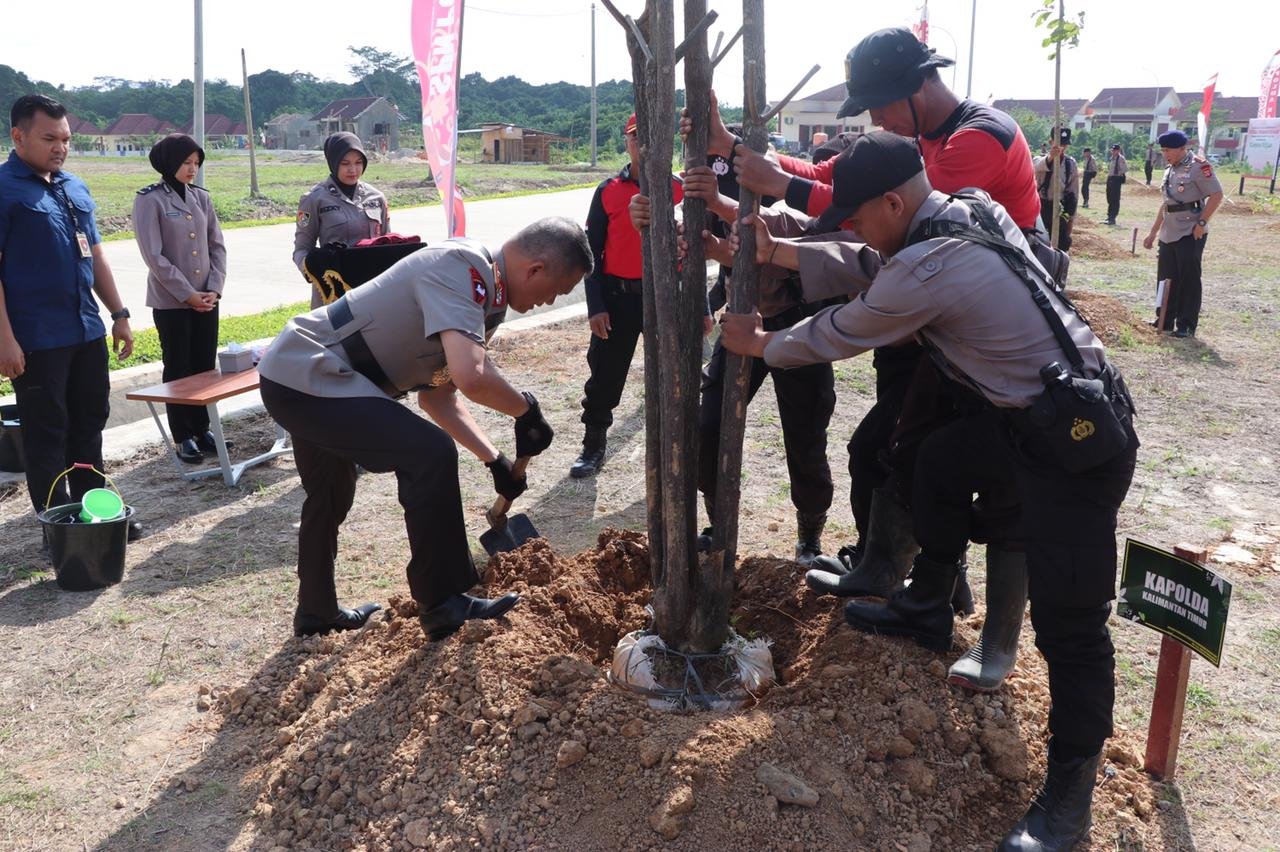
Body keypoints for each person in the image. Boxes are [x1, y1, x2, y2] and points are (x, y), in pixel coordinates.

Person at [719, 131, 1138, 851]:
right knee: (931, 462)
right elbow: (868, 262)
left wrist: (759, 344)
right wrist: (780, 250)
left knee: (1071, 627)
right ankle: (925, 605)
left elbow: (845, 327)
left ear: (892, 200)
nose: (848, 223)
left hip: (1074, 440)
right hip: (1022, 416)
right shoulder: (966, 209)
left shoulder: (929, 263)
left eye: (856, 212)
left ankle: (1069, 797)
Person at [258, 216, 593, 641]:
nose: (550, 301)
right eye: (557, 291)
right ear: (536, 269)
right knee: (428, 453)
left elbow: (439, 396)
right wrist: (526, 411)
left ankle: (315, 612)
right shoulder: (462, 268)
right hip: (307, 371)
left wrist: (494, 460)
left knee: (329, 495)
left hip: (313, 376)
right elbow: (472, 375)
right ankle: (443, 600)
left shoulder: (487, 299)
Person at [0, 95, 142, 542]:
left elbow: (94, 252)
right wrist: (4, 340)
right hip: (37, 338)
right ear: (18, 136)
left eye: (66, 139)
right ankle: (60, 532)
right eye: (49, 139)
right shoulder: (4, 190)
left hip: (85, 330)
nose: (60, 147)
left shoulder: (73, 186)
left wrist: (118, 313)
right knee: (47, 436)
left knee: (89, 426)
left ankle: (96, 518)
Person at [569, 113, 685, 478]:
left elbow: (694, 253)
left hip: (664, 298)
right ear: (627, 142)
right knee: (604, 376)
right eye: (635, 137)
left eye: (649, 137)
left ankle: (673, 445)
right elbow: (592, 254)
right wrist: (596, 306)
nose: (642, 144)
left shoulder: (679, 189)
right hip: (618, 299)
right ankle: (593, 445)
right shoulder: (608, 191)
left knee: (672, 375)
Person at [133, 133, 228, 464]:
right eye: (186, 163)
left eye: (196, 163)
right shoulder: (150, 200)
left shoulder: (201, 197)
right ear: (168, 162)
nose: (192, 169)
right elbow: (154, 257)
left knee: (204, 365)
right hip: (172, 302)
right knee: (178, 367)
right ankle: (183, 435)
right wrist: (188, 295)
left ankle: (202, 428)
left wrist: (214, 289)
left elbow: (217, 245)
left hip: (207, 298)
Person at [292, 132, 389, 308]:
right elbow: (301, 250)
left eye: (359, 163)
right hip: (333, 293)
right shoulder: (314, 199)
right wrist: (313, 271)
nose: (353, 170)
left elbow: (388, 242)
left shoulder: (377, 198)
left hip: (371, 289)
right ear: (333, 163)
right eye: (345, 164)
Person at [1142, 129, 1223, 338]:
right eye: (1163, 150)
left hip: (1190, 230)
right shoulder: (1169, 169)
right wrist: (1152, 233)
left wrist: (1202, 223)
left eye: (1168, 150)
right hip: (1169, 231)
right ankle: (1164, 319)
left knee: (1189, 278)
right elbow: (1166, 204)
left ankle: (1186, 324)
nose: (1165, 154)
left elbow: (1216, 195)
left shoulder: (1198, 166)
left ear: (1182, 148)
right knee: (1165, 277)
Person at [1034, 144, 1079, 251]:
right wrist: (1051, 157)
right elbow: (1036, 166)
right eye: (1058, 142)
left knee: (1061, 244)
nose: (1061, 146)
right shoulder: (1039, 159)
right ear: (1051, 141)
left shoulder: (1070, 163)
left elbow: (1074, 192)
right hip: (1041, 207)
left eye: (1064, 144)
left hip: (1061, 208)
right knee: (1039, 242)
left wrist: (1071, 219)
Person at [1104, 143, 1127, 225]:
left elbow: (1124, 169)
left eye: (1115, 150)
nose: (1113, 151)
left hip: (1116, 179)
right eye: (1112, 150)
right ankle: (1109, 216)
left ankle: (1112, 218)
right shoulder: (1112, 158)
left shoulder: (1121, 159)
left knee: (1115, 199)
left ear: (1118, 151)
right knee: (1109, 198)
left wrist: (1119, 173)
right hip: (1110, 178)